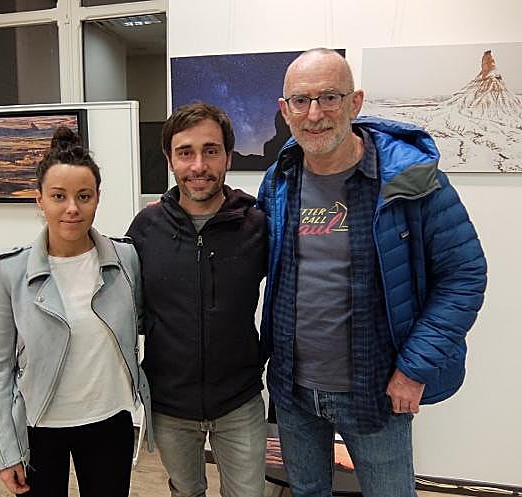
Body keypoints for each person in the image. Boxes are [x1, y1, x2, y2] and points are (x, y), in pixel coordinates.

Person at [257, 48, 487, 497]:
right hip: (292, 387)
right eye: (301, 101)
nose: (315, 114)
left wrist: (414, 369)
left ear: (355, 102)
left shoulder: (410, 179)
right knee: (305, 491)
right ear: (285, 111)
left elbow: (464, 276)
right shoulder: (279, 180)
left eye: (330, 97)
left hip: (376, 387)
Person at [0, 126, 152, 497]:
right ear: (39, 200)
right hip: (38, 426)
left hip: (109, 420)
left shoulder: (126, 259)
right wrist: (5, 449)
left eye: (83, 196)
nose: (72, 208)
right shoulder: (11, 271)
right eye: (59, 196)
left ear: (97, 199)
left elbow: (142, 324)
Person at [127, 102, 267, 497]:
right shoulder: (147, 227)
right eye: (185, 152)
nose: (198, 166)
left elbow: (292, 296)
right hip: (170, 404)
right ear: (170, 159)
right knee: (185, 492)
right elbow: (126, 306)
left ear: (228, 156)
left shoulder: (256, 226)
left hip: (239, 400)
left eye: (210, 150)